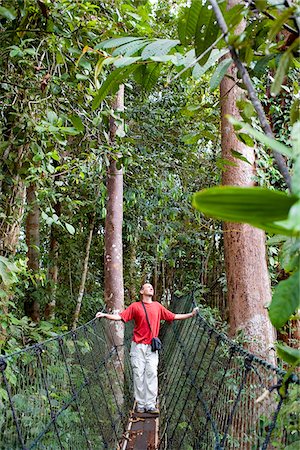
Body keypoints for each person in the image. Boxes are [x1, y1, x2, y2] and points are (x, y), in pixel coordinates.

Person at [95, 283, 198, 414]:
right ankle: (140, 404)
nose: (151, 288)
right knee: (138, 374)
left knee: (152, 373)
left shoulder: (158, 307)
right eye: (147, 287)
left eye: (152, 287)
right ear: (141, 291)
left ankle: (150, 404)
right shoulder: (135, 306)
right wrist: (105, 315)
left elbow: (173, 316)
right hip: (137, 346)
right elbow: (121, 317)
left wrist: (191, 314)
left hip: (152, 348)